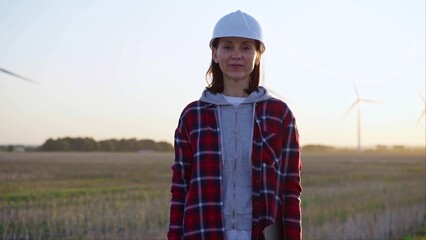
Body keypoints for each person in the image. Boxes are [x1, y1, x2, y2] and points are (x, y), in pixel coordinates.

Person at [168, 10, 302, 240]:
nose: (236, 55)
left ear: (258, 54)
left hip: (264, 233)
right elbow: (180, 187)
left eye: (246, 47)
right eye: (228, 47)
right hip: (203, 230)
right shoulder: (193, 115)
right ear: (215, 53)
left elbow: (291, 189)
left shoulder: (280, 115)